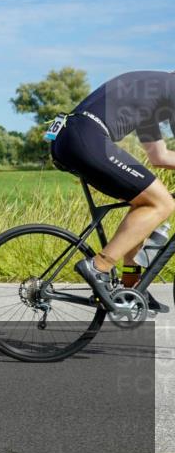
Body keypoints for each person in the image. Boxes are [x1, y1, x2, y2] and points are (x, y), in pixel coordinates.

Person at [49, 70, 175, 310]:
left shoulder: (152, 91)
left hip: (70, 138)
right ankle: (99, 266)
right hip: (86, 137)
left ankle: (131, 287)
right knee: (163, 203)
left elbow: (159, 156)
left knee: (145, 205)